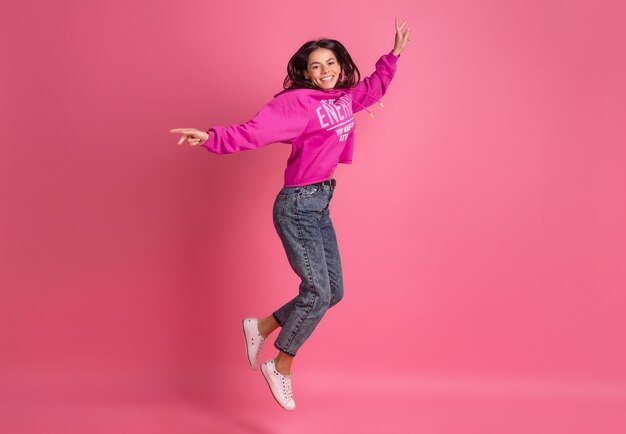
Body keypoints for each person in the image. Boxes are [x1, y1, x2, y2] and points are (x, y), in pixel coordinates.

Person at [170, 19, 410, 411]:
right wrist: (210, 137)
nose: (326, 71)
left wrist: (394, 55)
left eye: (330, 63)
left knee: (334, 292)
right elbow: (254, 132)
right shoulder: (296, 104)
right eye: (316, 66)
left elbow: (370, 89)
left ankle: (261, 326)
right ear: (305, 72)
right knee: (317, 292)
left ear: (340, 64)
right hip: (297, 206)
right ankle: (281, 364)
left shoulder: (344, 99)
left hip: (320, 203)